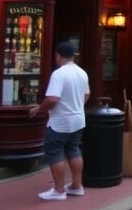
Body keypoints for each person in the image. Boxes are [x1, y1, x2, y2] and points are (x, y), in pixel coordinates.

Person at [29, 42, 89, 201]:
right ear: (73, 56)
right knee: (74, 149)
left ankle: (59, 189)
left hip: (61, 121)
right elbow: (87, 95)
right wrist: (76, 105)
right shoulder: (82, 72)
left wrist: (39, 109)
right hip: (78, 119)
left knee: (54, 152)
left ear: (58, 55)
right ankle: (77, 186)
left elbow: (52, 99)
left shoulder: (59, 74)